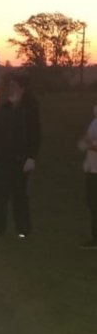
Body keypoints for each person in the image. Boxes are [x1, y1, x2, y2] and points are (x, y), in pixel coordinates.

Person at [0, 73, 41, 238]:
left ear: (22, 89)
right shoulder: (5, 108)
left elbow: (35, 134)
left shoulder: (30, 109)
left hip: (19, 160)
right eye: (10, 86)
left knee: (19, 195)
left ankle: (23, 229)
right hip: (0, 159)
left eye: (14, 86)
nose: (11, 89)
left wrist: (31, 157)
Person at [76, 104, 97, 249]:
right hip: (92, 167)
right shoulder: (94, 122)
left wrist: (88, 145)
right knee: (92, 203)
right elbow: (89, 137)